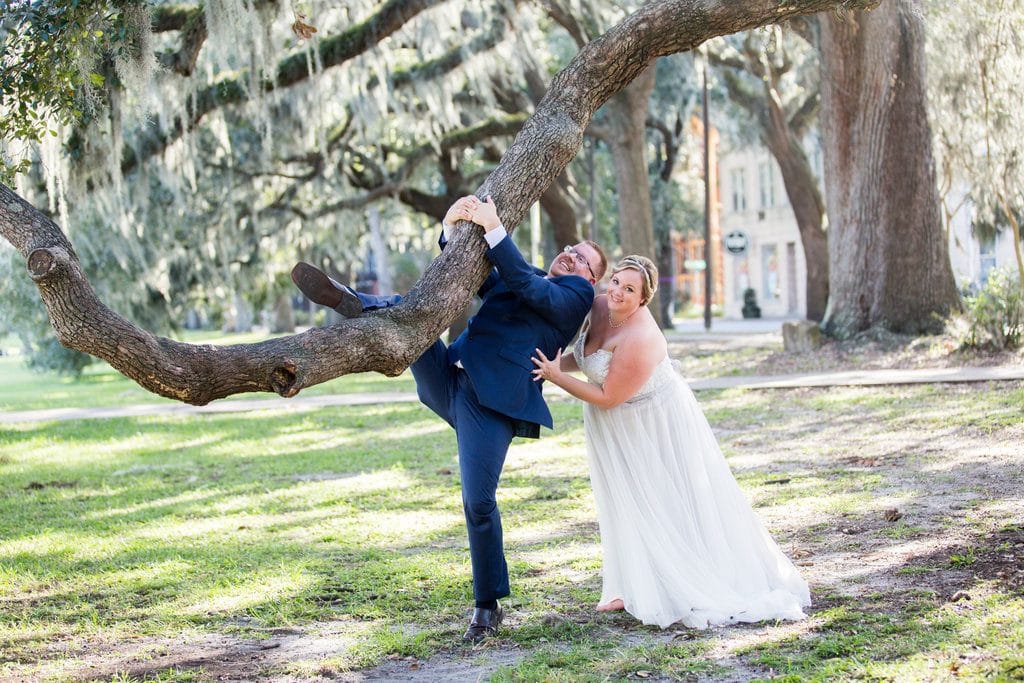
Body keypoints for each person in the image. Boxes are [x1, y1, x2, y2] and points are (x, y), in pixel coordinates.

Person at [290, 195, 607, 642]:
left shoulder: (576, 297)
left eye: (582, 260)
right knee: (413, 315)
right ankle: (348, 301)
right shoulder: (530, 275)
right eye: (571, 249)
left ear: (591, 278)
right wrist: (449, 227)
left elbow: (526, 284)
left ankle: (487, 606)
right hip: (450, 378)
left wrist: (494, 224)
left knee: (478, 502)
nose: (570, 256)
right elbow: (480, 277)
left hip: (491, 406)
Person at [531, 255, 810, 629]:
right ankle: (626, 585)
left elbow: (609, 395)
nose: (617, 292)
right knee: (620, 497)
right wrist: (553, 363)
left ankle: (678, 579)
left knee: (660, 499)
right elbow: (586, 358)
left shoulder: (642, 338)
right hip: (612, 423)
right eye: (615, 282)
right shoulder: (599, 305)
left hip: (651, 420)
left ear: (643, 299)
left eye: (629, 290)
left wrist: (553, 376)